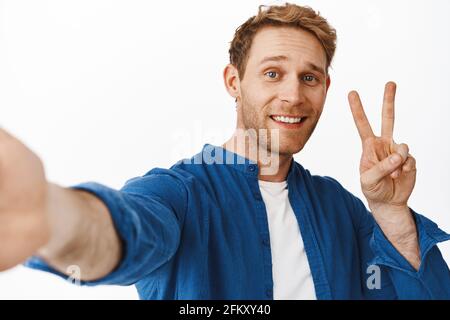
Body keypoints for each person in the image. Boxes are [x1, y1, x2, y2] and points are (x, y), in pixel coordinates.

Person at [0, 3, 449, 300]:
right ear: (234, 82)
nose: (294, 95)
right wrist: (52, 216)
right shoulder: (179, 193)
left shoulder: (340, 208)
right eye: (273, 74)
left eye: (310, 78)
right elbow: (123, 233)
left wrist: (391, 213)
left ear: (325, 88)